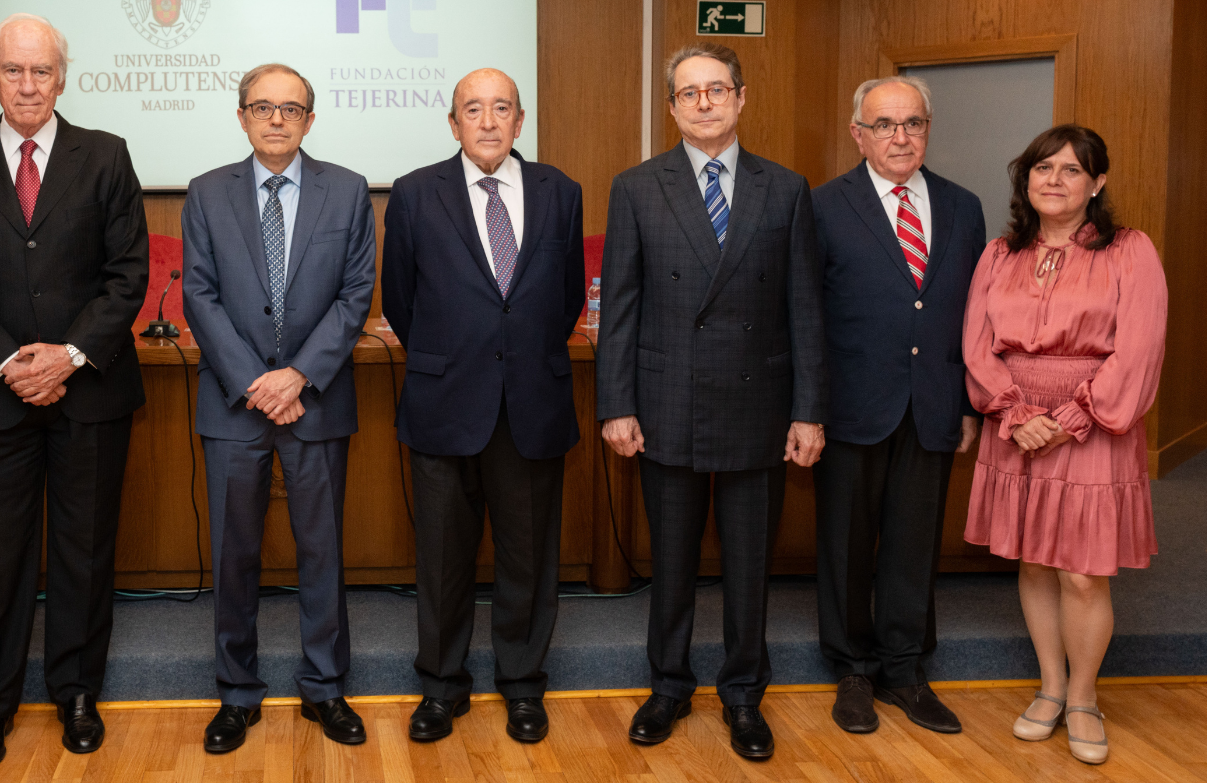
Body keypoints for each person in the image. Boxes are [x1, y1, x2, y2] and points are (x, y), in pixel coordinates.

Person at [0, 13, 150, 771]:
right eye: (13, 70)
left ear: (62, 76)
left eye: (41, 70)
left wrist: (70, 355)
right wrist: (12, 361)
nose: (27, 84)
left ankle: (77, 694)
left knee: (83, 553)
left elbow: (128, 275)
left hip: (90, 394)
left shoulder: (106, 157)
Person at [597, 43, 826, 760]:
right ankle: (668, 687)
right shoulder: (636, 187)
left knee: (749, 566)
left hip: (760, 407)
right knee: (671, 563)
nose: (704, 102)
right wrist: (616, 404)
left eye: (716, 90)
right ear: (671, 107)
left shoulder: (786, 189)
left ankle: (742, 696)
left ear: (741, 97)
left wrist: (809, 409)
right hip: (666, 403)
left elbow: (805, 309)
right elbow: (621, 310)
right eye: (689, 93)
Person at [382, 68, 585, 744]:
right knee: (442, 558)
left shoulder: (561, 192)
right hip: (444, 400)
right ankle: (441, 687)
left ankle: (524, 685)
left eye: (502, 109)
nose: (489, 121)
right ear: (453, 123)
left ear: (521, 122)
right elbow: (401, 301)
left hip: (531, 399)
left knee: (529, 557)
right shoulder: (414, 194)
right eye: (475, 109)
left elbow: (564, 300)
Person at [181, 64, 376, 753]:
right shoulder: (206, 193)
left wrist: (297, 377)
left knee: (321, 551)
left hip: (316, 400)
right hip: (235, 404)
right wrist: (256, 382)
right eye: (262, 107)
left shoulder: (348, 191)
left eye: (290, 109)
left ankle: (325, 688)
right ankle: (236, 695)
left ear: (310, 121)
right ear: (241, 116)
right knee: (234, 554)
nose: (276, 119)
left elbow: (357, 296)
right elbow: (197, 297)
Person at [962, 124, 1166, 766]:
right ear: (1026, 179)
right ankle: (1049, 688)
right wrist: (1015, 413)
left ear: (1097, 183)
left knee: (1082, 574)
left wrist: (1073, 418)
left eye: (1071, 170)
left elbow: (1139, 349)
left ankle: (1083, 696)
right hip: (1014, 426)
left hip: (1094, 427)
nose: (1054, 180)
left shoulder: (1130, 251)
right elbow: (975, 341)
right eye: (1042, 168)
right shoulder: (999, 254)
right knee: (1034, 563)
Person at [811, 76, 987, 736]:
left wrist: (969, 401)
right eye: (884, 124)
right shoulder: (825, 206)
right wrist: (808, 407)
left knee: (913, 545)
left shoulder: (964, 206)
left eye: (911, 123)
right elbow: (806, 313)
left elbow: (974, 315)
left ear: (927, 130)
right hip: (850, 405)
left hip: (935, 404)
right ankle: (853, 671)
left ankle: (906, 672)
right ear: (858, 133)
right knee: (848, 545)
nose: (900, 136)